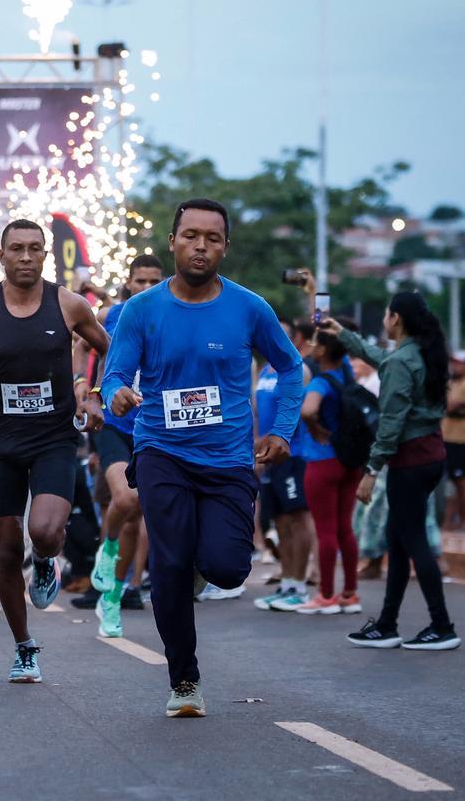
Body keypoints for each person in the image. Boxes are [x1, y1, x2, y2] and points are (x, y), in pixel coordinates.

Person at [101, 199, 303, 718]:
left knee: (228, 567)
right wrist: (117, 393)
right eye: (191, 235)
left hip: (228, 458)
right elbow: (114, 374)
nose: (201, 246)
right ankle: (184, 679)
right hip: (162, 450)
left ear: (225, 247)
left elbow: (291, 366)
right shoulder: (142, 310)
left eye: (212, 238)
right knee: (167, 565)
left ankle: (197, 566)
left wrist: (282, 430)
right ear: (172, 242)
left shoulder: (249, 308)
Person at [0, 219, 109, 685]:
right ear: (2, 255)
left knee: (46, 531)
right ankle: (24, 646)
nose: (27, 257)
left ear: (46, 256)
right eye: (18, 249)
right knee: (8, 548)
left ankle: (50, 557)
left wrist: (94, 392)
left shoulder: (68, 304)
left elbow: (109, 349)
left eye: (36, 249)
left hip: (54, 437)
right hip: (1, 443)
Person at [326, 292, 461, 650]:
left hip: (410, 461)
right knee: (398, 542)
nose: (384, 318)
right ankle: (387, 624)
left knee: (412, 540)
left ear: (395, 318)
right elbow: (382, 358)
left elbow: (391, 421)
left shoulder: (404, 360)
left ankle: (442, 626)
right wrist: (343, 333)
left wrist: (371, 470)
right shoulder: (419, 353)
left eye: (386, 313)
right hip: (429, 456)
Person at [88, 254, 164, 638]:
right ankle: (108, 549)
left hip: (154, 426)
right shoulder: (112, 316)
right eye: (140, 281)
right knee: (127, 501)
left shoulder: (175, 314)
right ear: (129, 283)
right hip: (114, 422)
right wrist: (85, 392)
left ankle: (114, 598)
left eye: (154, 281)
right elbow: (86, 351)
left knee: (137, 515)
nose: (147, 289)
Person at [295, 323, 363, 615]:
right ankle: (349, 593)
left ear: (322, 349)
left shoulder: (321, 382)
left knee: (325, 531)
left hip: (322, 461)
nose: (311, 345)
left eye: (315, 342)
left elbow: (308, 410)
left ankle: (326, 595)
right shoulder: (346, 372)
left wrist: (314, 427)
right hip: (350, 461)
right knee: (345, 527)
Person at [251, 319, 316, 613]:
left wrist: (269, 439)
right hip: (269, 458)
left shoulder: (298, 369)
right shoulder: (265, 369)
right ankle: (288, 582)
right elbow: (255, 411)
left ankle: (301, 586)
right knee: (280, 521)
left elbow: (299, 413)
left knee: (297, 518)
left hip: (294, 454)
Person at [442, 351, 465, 532]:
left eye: (459, 363)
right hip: (448, 438)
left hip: (461, 440)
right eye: (453, 362)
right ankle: (451, 521)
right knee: (452, 482)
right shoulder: (453, 382)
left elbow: (447, 406)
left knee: (464, 480)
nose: (455, 366)